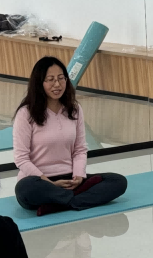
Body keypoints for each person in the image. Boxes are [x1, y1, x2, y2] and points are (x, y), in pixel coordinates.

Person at [12, 55, 127, 216]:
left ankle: (59, 203)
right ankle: (74, 199)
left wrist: (78, 175)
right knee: (25, 189)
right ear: (39, 83)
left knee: (118, 182)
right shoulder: (26, 113)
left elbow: (80, 149)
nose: (57, 84)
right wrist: (49, 183)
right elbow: (21, 159)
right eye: (50, 80)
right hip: (40, 181)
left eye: (61, 78)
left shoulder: (75, 109)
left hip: (70, 180)